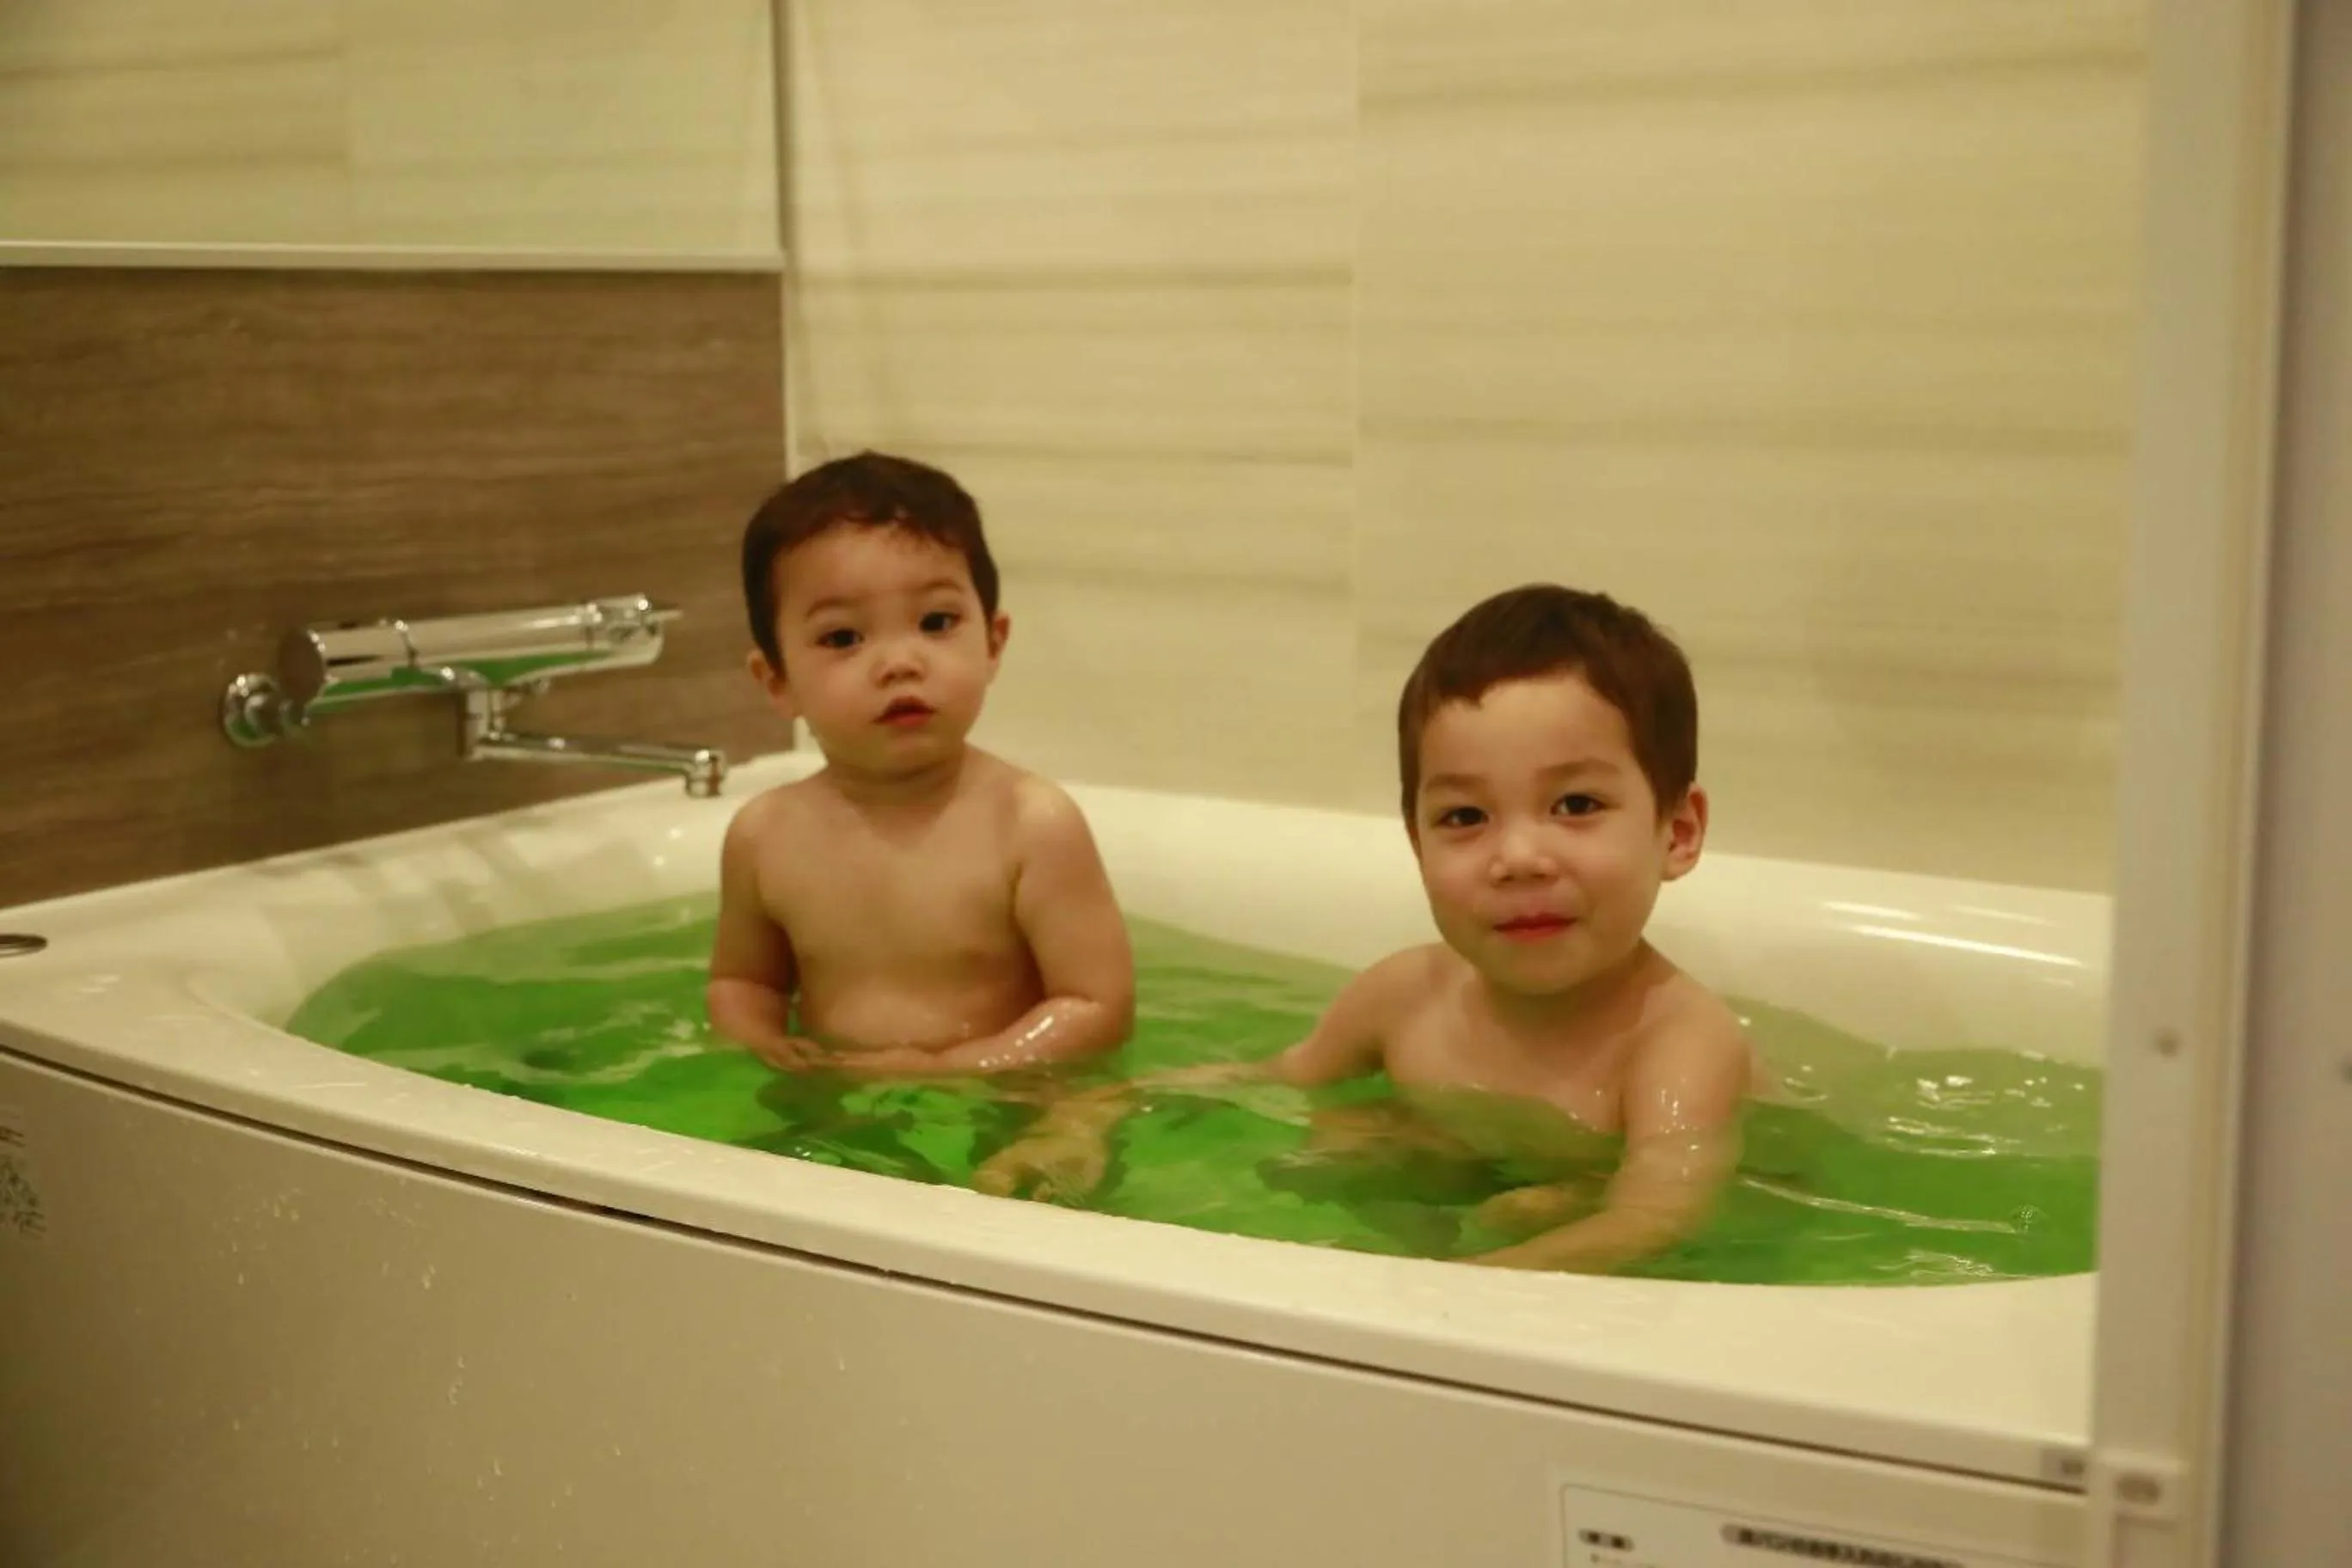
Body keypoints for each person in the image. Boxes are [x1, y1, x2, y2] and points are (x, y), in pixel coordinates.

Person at [977, 584, 1761, 1272]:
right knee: (1334, 1149)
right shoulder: (1403, 998)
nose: (1518, 857)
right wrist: (1091, 1113)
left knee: (1495, 1198)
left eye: (1577, 805)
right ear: (1417, 842)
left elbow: (1652, 1218)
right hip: (1480, 1196)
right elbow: (1261, 1084)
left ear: (1679, 832)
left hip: (1597, 1252)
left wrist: (1454, 1296)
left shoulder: (1678, 1042)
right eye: (1464, 816)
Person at [706, 451, 1136, 1078]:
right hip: (838, 1095)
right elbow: (745, 983)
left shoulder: (1030, 825)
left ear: (992, 642)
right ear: (776, 681)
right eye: (843, 638)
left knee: (1062, 1153)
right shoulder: (763, 837)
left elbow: (1096, 1006)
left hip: (1011, 1098)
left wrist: (964, 1067)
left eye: (936, 622)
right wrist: (765, 1045)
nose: (900, 662)